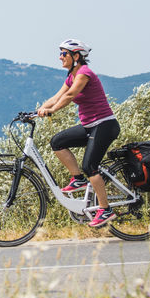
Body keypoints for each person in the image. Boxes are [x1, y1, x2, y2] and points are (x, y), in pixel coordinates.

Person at [37, 38, 121, 227]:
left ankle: (105, 209)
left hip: (104, 125)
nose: (60, 57)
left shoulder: (84, 73)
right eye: (60, 53)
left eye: (64, 54)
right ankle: (78, 179)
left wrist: (53, 110)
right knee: (57, 142)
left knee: (90, 165)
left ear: (76, 56)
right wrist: (39, 110)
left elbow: (70, 95)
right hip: (90, 125)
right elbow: (58, 96)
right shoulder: (71, 76)